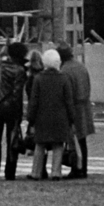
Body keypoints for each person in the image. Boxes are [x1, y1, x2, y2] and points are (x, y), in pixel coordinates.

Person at [26, 48, 77, 182]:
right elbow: (68, 101)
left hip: (42, 118)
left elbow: (34, 101)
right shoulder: (64, 79)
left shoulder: (38, 79)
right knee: (58, 146)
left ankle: (36, 172)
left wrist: (30, 119)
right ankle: (56, 172)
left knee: (40, 145)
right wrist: (72, 119)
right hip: (60, 118)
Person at [0, 40, 28, 181]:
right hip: (12, 108)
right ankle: (10, 172)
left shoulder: (3, 66)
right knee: (12, 141)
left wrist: (7, 44)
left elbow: (1, 54)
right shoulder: (20, 71)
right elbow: (17, 93)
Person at [58, 43, 95, 179]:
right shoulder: (81, 66)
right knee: (82, 140)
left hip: (74, 108)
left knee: (73, 140)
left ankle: (77, 168)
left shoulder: (65, 70)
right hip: (84, 106)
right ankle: (83, 168)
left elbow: (65, 94)